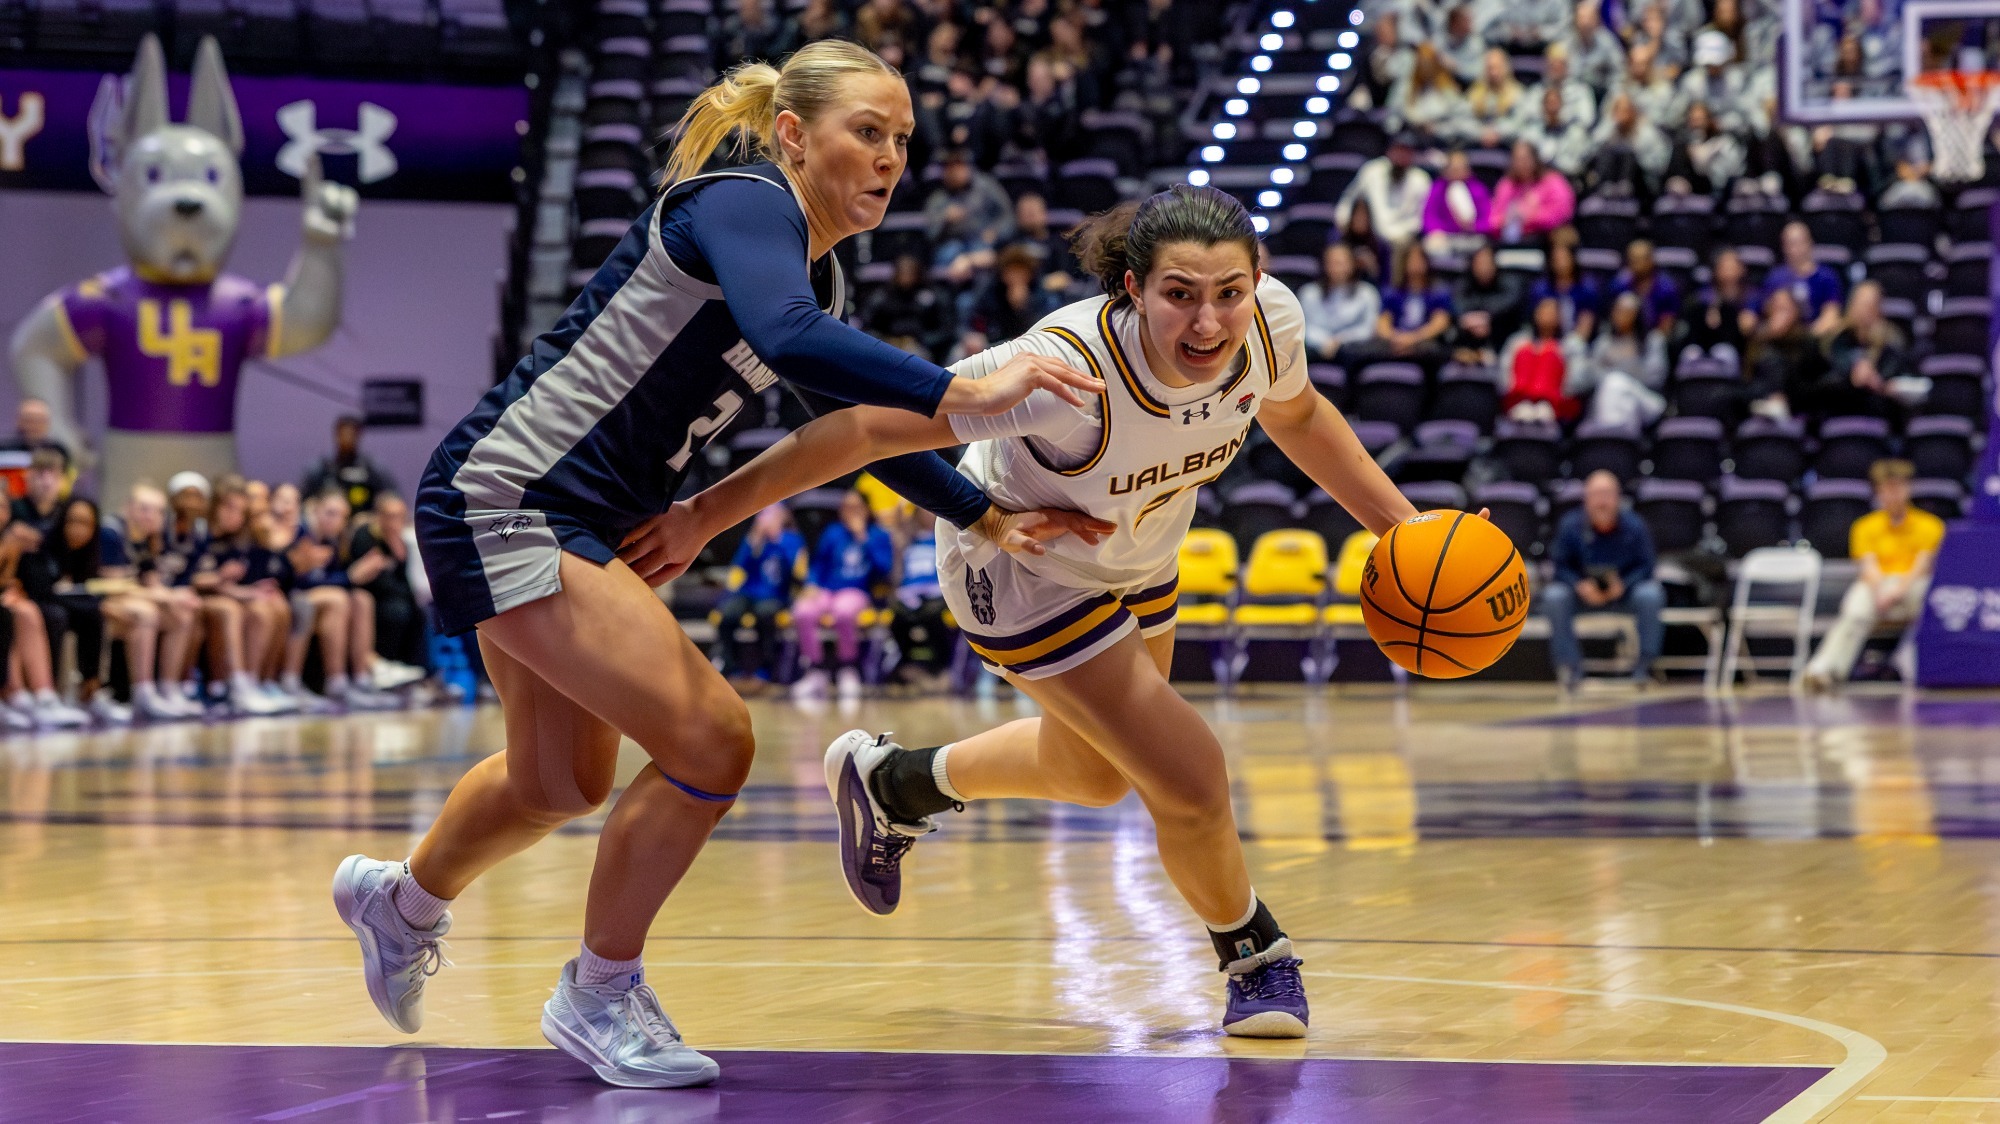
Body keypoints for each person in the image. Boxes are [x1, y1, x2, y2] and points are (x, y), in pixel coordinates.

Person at [332, 41, 1108, 1091]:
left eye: (901, 141)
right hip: (511, 497)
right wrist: (969, 392)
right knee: (711, 738)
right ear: (793, 135)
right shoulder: (745, 201)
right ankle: (598, 990)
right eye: (865, 133)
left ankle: (401, 901)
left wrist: (982, 509)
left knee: (555, 779)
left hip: (584, 518)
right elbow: (792, 343)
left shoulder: (813, 265)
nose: (888, 160)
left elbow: (849, 424)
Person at [637, 184, 1449, 1042]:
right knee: (1190, 776)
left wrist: (1402, 528)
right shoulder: (1065, 371)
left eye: (1228, 294)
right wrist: (703, 515)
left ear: (1258, 281)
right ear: (1132, 289)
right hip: (1019, 566)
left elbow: (1300, 414)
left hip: (1141, 556)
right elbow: (863, 432)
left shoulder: (1272, 324)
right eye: (1180, 295)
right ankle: (1254, 954)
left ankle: (899, 782)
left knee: (1100, 776)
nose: (1208, 323)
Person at [1803, 459, 1944, 691]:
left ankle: (1915, 668)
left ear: (1908, 489)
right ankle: (1824, 671)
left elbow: (1923, 566)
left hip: (1913, 584)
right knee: (1854, 610)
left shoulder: (1930, 525)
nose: (1893, 494)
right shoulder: (1864, 526)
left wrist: (1897, 590)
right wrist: (1882, 591)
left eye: (1898, 487)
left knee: (1933, 601)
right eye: (1887, 488)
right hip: (1878, 585)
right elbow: (1868, 567)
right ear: (1878, 492)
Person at [1541, 470, 1664, 689]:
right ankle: (1571, 669)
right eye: (1596, 494)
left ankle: (1643, 668)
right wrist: (1579, 585)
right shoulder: (1570, 525)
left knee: (1651, 595)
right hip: (1582, 595)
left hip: (1624, 594)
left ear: (1618, 497)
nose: (1602, 501)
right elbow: (1559, 566)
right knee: (1554, 596)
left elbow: (1647, 565)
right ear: (1586, 499)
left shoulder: (1635, 526)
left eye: (1607, 494)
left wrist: (1624, 584)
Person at [188, 479, 294, 715]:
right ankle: (236, 683)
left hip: (222, 592)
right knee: (232, 610)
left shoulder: (237, 539)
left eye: (241, 511)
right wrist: (221, 579)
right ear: (215, 506)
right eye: (230, 508)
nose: (236, 516)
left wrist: (248, 592)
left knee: (271, 605)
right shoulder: (200, 533)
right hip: (196, 596)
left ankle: (260, 681)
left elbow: (233, 581)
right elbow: (193, 579)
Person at [102, 484, 204, 719]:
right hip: (100, 600)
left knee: (181, 613)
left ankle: (169, 688)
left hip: (130, 597)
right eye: (143, 509)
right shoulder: (111, 532)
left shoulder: (150, 540)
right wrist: (164, 596)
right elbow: (114, 586)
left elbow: (151, 581)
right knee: (147, 612)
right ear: (127, 508)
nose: (149, 516)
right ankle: (143, 692)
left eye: (156, 511)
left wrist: (176, 596)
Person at [791, 489, 895, 701]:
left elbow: (884, 569)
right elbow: (818, 564)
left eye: (855, 507)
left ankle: (848, 668)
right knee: (803, 611)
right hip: (827, 589)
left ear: (866, 509)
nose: (850, 512)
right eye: (846, 507)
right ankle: (815, 669)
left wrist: (862, 537)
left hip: (857, 590)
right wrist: (811, 583)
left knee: (843, 612)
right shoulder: (833, 533)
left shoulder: (878, 535)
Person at [712, 504, 806, 688]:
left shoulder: (792, 539)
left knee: (765, 614)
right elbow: (739, 566)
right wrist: (754, 541)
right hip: (748, 592)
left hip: (775, 595)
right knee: (728, 614)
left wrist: (777, 539)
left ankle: (766, 666)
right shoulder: (755, 539)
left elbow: (796, 572)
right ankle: (729, 664)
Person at [341, 492, 428, 690]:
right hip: (373, 599)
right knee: (395, 611)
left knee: (419, 613)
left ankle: (412, 672)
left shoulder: (404, 541)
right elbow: (362, 577)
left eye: (399, 516)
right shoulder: (366, 535)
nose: (394, 521)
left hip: (399, 599)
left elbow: (409, 579)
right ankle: (378, 667)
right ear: (378, 516)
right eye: (389, 516)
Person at [1817, 280, 1911, 424]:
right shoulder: (1835, 338)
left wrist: (1879, 382)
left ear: (1879, 308)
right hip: (1839, 413)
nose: (1863, 310)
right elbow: (1824, 378)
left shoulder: (1893, 339)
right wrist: (1852, 374)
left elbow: (1901, 375)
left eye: (1869, 305)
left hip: (1881, 416)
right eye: (1860, 304)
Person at [885, 502, 953, 689]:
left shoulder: (944, 538)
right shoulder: (908, 542)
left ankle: (939, 666)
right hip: (909, 592)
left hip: (937, 591)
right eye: (923, 511)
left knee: (933, 617)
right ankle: (907, 662)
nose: (928, 515)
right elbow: (896, 572)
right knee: (897, 620)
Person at [1578, 292, 1669, 428]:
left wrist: (1615, 367)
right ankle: (1622, 444)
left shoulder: (1653, 340)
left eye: (1627, 312)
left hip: (1646, 398)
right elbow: (1589, 377)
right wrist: (1629, 365)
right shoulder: (1604, 343)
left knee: (1615, 383)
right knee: (1622, 400)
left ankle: (1609, 438)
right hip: (1613, 399)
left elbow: (1655, 377)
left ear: (1637, 314)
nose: (1622, 315)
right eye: (1618, 310)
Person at [1334, 132, 1432, 254]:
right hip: (1370, 236)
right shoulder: (1372, 170)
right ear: (1389, 151)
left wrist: (1399, 234)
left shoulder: (1421, 179)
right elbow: (1350, 198)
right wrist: (1343, 220)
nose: (1400, 156)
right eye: (1398, 150)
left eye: (1406, 151)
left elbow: (1421, 217)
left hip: (1403, 238)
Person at [1499, 296, 1584, 422]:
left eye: (1551, 313)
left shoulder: (1572, 345)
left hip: (1556, 404)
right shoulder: (1517, 341)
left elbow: (1578, 379)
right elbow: (1503, 373)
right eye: (1543, 311)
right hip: (1519, 402)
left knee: (1551, 355)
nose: (1546, 316)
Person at [1296, 242, 1380, 363]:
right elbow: (1305, 327)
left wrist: (1340, 341)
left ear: (1353, 264)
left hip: (1352, 348)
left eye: (1341, 263)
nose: (1337, 268)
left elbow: (1368, 328)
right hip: (1316, 347)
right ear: (1324, 264)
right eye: (1333, 263)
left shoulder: (1367, 293)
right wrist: (1325, 342)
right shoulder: (1309, 293)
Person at [300, 416, 400, 514]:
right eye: (343, 434)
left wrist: (373, 518)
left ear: (358, 436)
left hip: (362, 524)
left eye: (351, 434)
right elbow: (302, 500)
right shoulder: (321, 467)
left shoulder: (371, 467)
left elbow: (394, 499)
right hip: (328, 526)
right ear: (336, 435)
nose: (347, 438)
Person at [1678, 246, 1757, 367]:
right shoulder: (1703, 298)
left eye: (1733, 267)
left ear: (1742, 269)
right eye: (1725, 267)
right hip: (1705, 346)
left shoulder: (1752, 296)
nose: (1729, 273)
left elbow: (1750, 324)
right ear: (1716, 271)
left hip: (1740, 346)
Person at [1763, 221, 1844, 335]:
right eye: (1790, 243)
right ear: (1783, 247)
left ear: (1810, 243)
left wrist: (1810, 336)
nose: (1795, 248)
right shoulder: (1775, 277)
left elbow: (1831, 312)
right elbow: (1769, 312)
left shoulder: (1826, 276)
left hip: (1815, 336)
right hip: (1783, 336)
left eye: (1799, 242)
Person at [1486, 140, 1575, 242]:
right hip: (1512, 234)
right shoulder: (1507, 184)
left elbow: (1563, 212)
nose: (1521, 164)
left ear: (1535, 159)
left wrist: (1530, 216)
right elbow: (1493, 218)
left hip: (1547, 233)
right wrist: (1508, 218)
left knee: (1563, 237)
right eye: (1517, 159)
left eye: (1525, 159)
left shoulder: (1553, 180)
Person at [1451, 242, 1524, 362]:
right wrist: (1476, 321)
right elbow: (1457, 306)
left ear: (1495, 264)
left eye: (1487, 262)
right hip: (1469, 338)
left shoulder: (1509, 282)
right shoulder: (1463, 283)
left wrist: (1487, 319)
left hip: (1502, 338)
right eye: (1479, 263)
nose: (1484, 268)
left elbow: (1510, 304)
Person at [1421, 149, 1494, 255]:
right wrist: (1441, 231)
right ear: (1446, 170)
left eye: (1460, 168)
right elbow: (1429, 217)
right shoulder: (1437, 189)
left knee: (1484, 250)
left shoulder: (1478, 189)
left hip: (1472, 238)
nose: (1456, 172)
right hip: (1445, 238)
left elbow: (1488, 218)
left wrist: (1474, 227)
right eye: (1453, 168)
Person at [1527, 238, 1599, 341]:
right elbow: (1538, 321)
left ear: (1573, 259)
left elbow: (1587, 321)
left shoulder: (1587, 288)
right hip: (1547, 339)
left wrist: (1572, 344)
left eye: (1564, 258)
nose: (1561, 263)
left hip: (1578, 341)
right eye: (1556, 259)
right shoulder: (1541, 288)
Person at [1607, 239, 1680, 334]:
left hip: (1654, 337)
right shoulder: (1619, 286)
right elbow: (1613, 319)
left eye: (1640, 259)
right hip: (1626, 336)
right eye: (1632, 260)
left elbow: (1667, 324)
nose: (1636, 264)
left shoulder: (1667, 289)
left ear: (1651, 260)